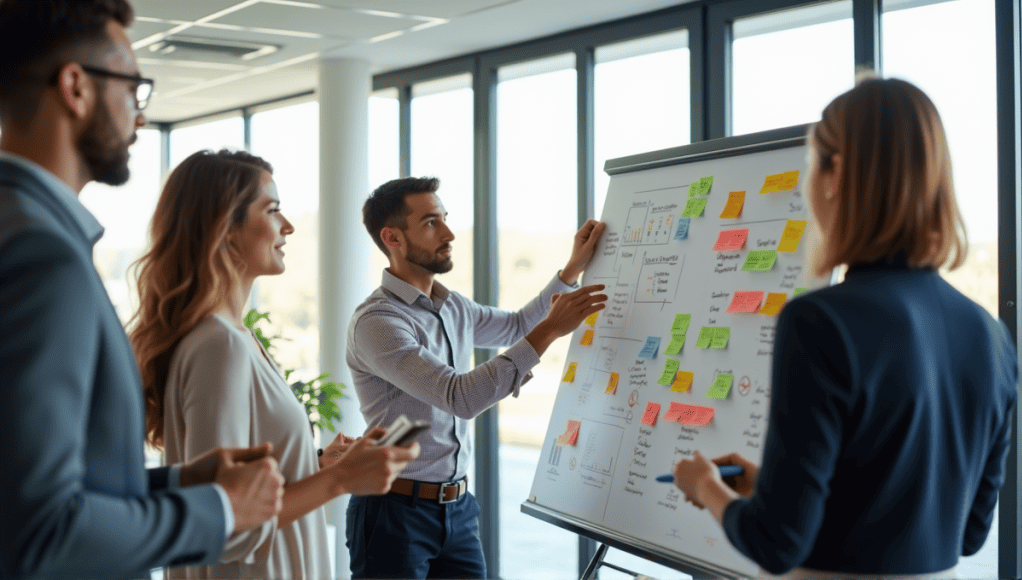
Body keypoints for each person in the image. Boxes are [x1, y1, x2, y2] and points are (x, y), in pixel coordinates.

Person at [672, 77, 1019, 578]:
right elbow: (968, 534)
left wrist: (705, 486)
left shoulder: (819, 322)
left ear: (835, 177)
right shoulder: (992, 337)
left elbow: (776, 544)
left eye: (812, 164)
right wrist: (775, 488)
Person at [0, 1, 287, 577]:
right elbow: (38, 533)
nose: (140, 116)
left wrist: (180, 481)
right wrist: (222, 508)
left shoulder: (21, 227)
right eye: (134, 88)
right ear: (76, 88)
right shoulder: (43, 258)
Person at [130, 149, 421, 579]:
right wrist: (341, 480)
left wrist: (315, 463)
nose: (288, 226)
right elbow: (224, 521)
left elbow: (239, 487)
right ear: (224, 230)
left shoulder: (234, 336)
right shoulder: (219, 344)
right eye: (272, 210)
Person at [345, 176, 608, 578]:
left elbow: (517, 325)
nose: (449, 233)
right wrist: (551, 330)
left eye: (445, 219)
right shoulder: (378, 322)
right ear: (392, 238)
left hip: (458, 509)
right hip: (392, 512)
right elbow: (459, 396)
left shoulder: (452, 307)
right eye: (431, 222)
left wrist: (571, 269)